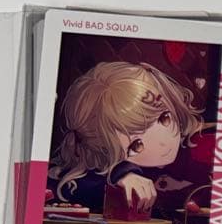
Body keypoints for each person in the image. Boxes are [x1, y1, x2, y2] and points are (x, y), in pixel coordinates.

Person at [48, 61, 204, 213]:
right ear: (102, 149)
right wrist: (119, 175)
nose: (163, 142)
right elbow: (65, 185)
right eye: (136, 145)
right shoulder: (92, 178)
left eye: (165, 118)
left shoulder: (191, 158)